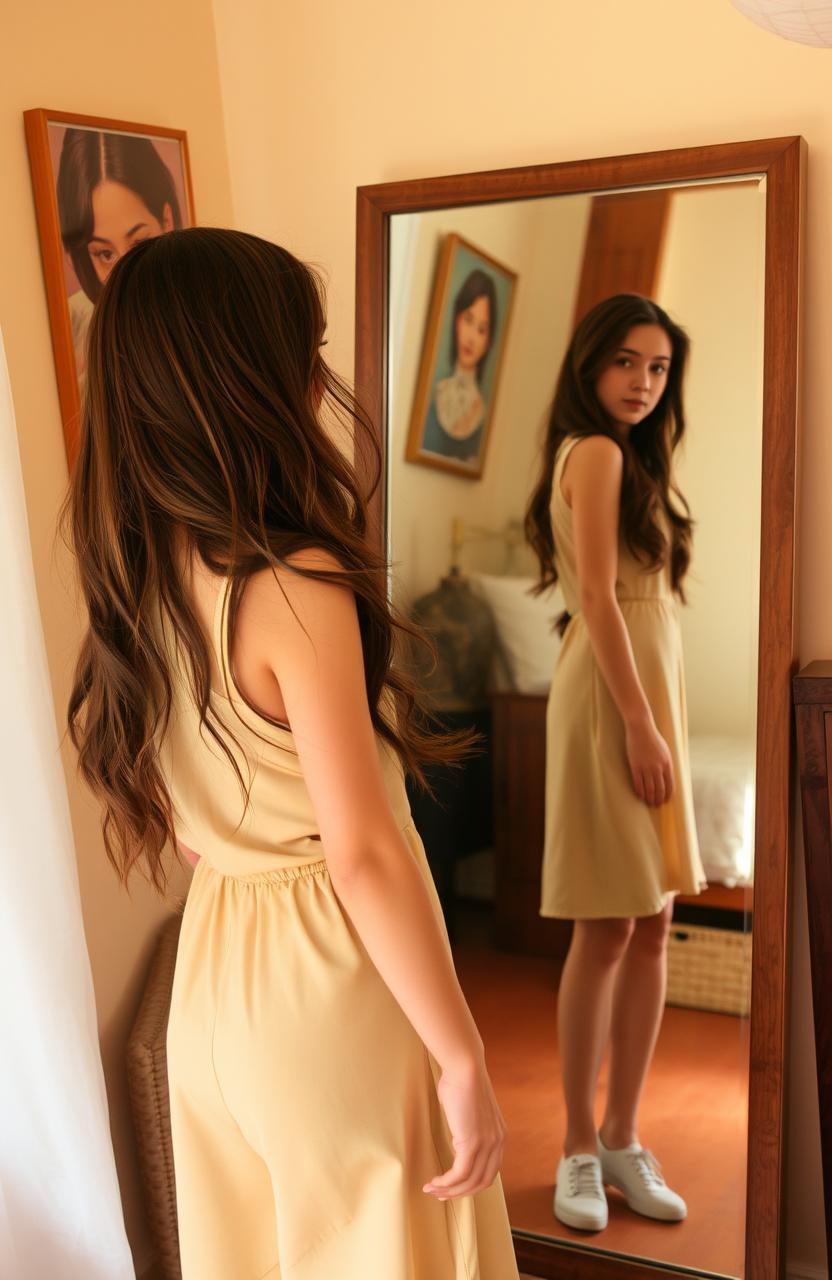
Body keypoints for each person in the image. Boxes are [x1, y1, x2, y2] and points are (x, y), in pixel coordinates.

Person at [59, 226, 519, 1279]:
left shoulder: (135, 575)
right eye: (302, 348)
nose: (319, 375)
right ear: (247, 374)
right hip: (330, 978)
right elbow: (362, 851)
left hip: (217, 984)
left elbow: (188, 834)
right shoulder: (291, 578)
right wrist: (460, 1053)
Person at [524, 293, 707, 1234]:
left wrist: (655, 715)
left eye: (659, 368)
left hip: (639, 693)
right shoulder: (593, 453)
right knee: (605, 931)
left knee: (651, 923)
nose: (642, 382)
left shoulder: (632, 459)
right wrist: (640, 724)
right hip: (610, 701)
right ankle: (578, 1149)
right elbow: (595, 594)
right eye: (627, 363)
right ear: (591, 365)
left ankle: (625, 1138)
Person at [56, 128, 183, 385]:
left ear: (167, 221)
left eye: (139, 243)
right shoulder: (75, 328)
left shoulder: (208, 306)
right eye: (105, 254)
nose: (127, 271)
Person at [421, 267, 497, 464]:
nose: (471, 337)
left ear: (489, 341)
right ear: (457, 320)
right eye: (468, 319)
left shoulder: (481, 412)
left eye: (481, 329)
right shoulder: (434, 393)